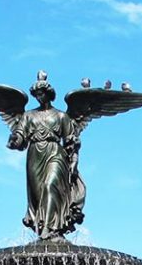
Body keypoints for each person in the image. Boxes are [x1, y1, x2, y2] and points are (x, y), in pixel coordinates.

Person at [7, 75, 85, 239]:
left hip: (55, 153)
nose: (38, 97)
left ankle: (50, 229)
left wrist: (74, 162)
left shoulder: (61, 116)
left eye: (41, 93)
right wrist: (15, 139)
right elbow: (20, 136)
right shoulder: (28, 116)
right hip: (35, 154)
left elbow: (71, 141)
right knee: (38, 194)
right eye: (36, 95)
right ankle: (42, 225)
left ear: (48, 94)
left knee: (51, 186)